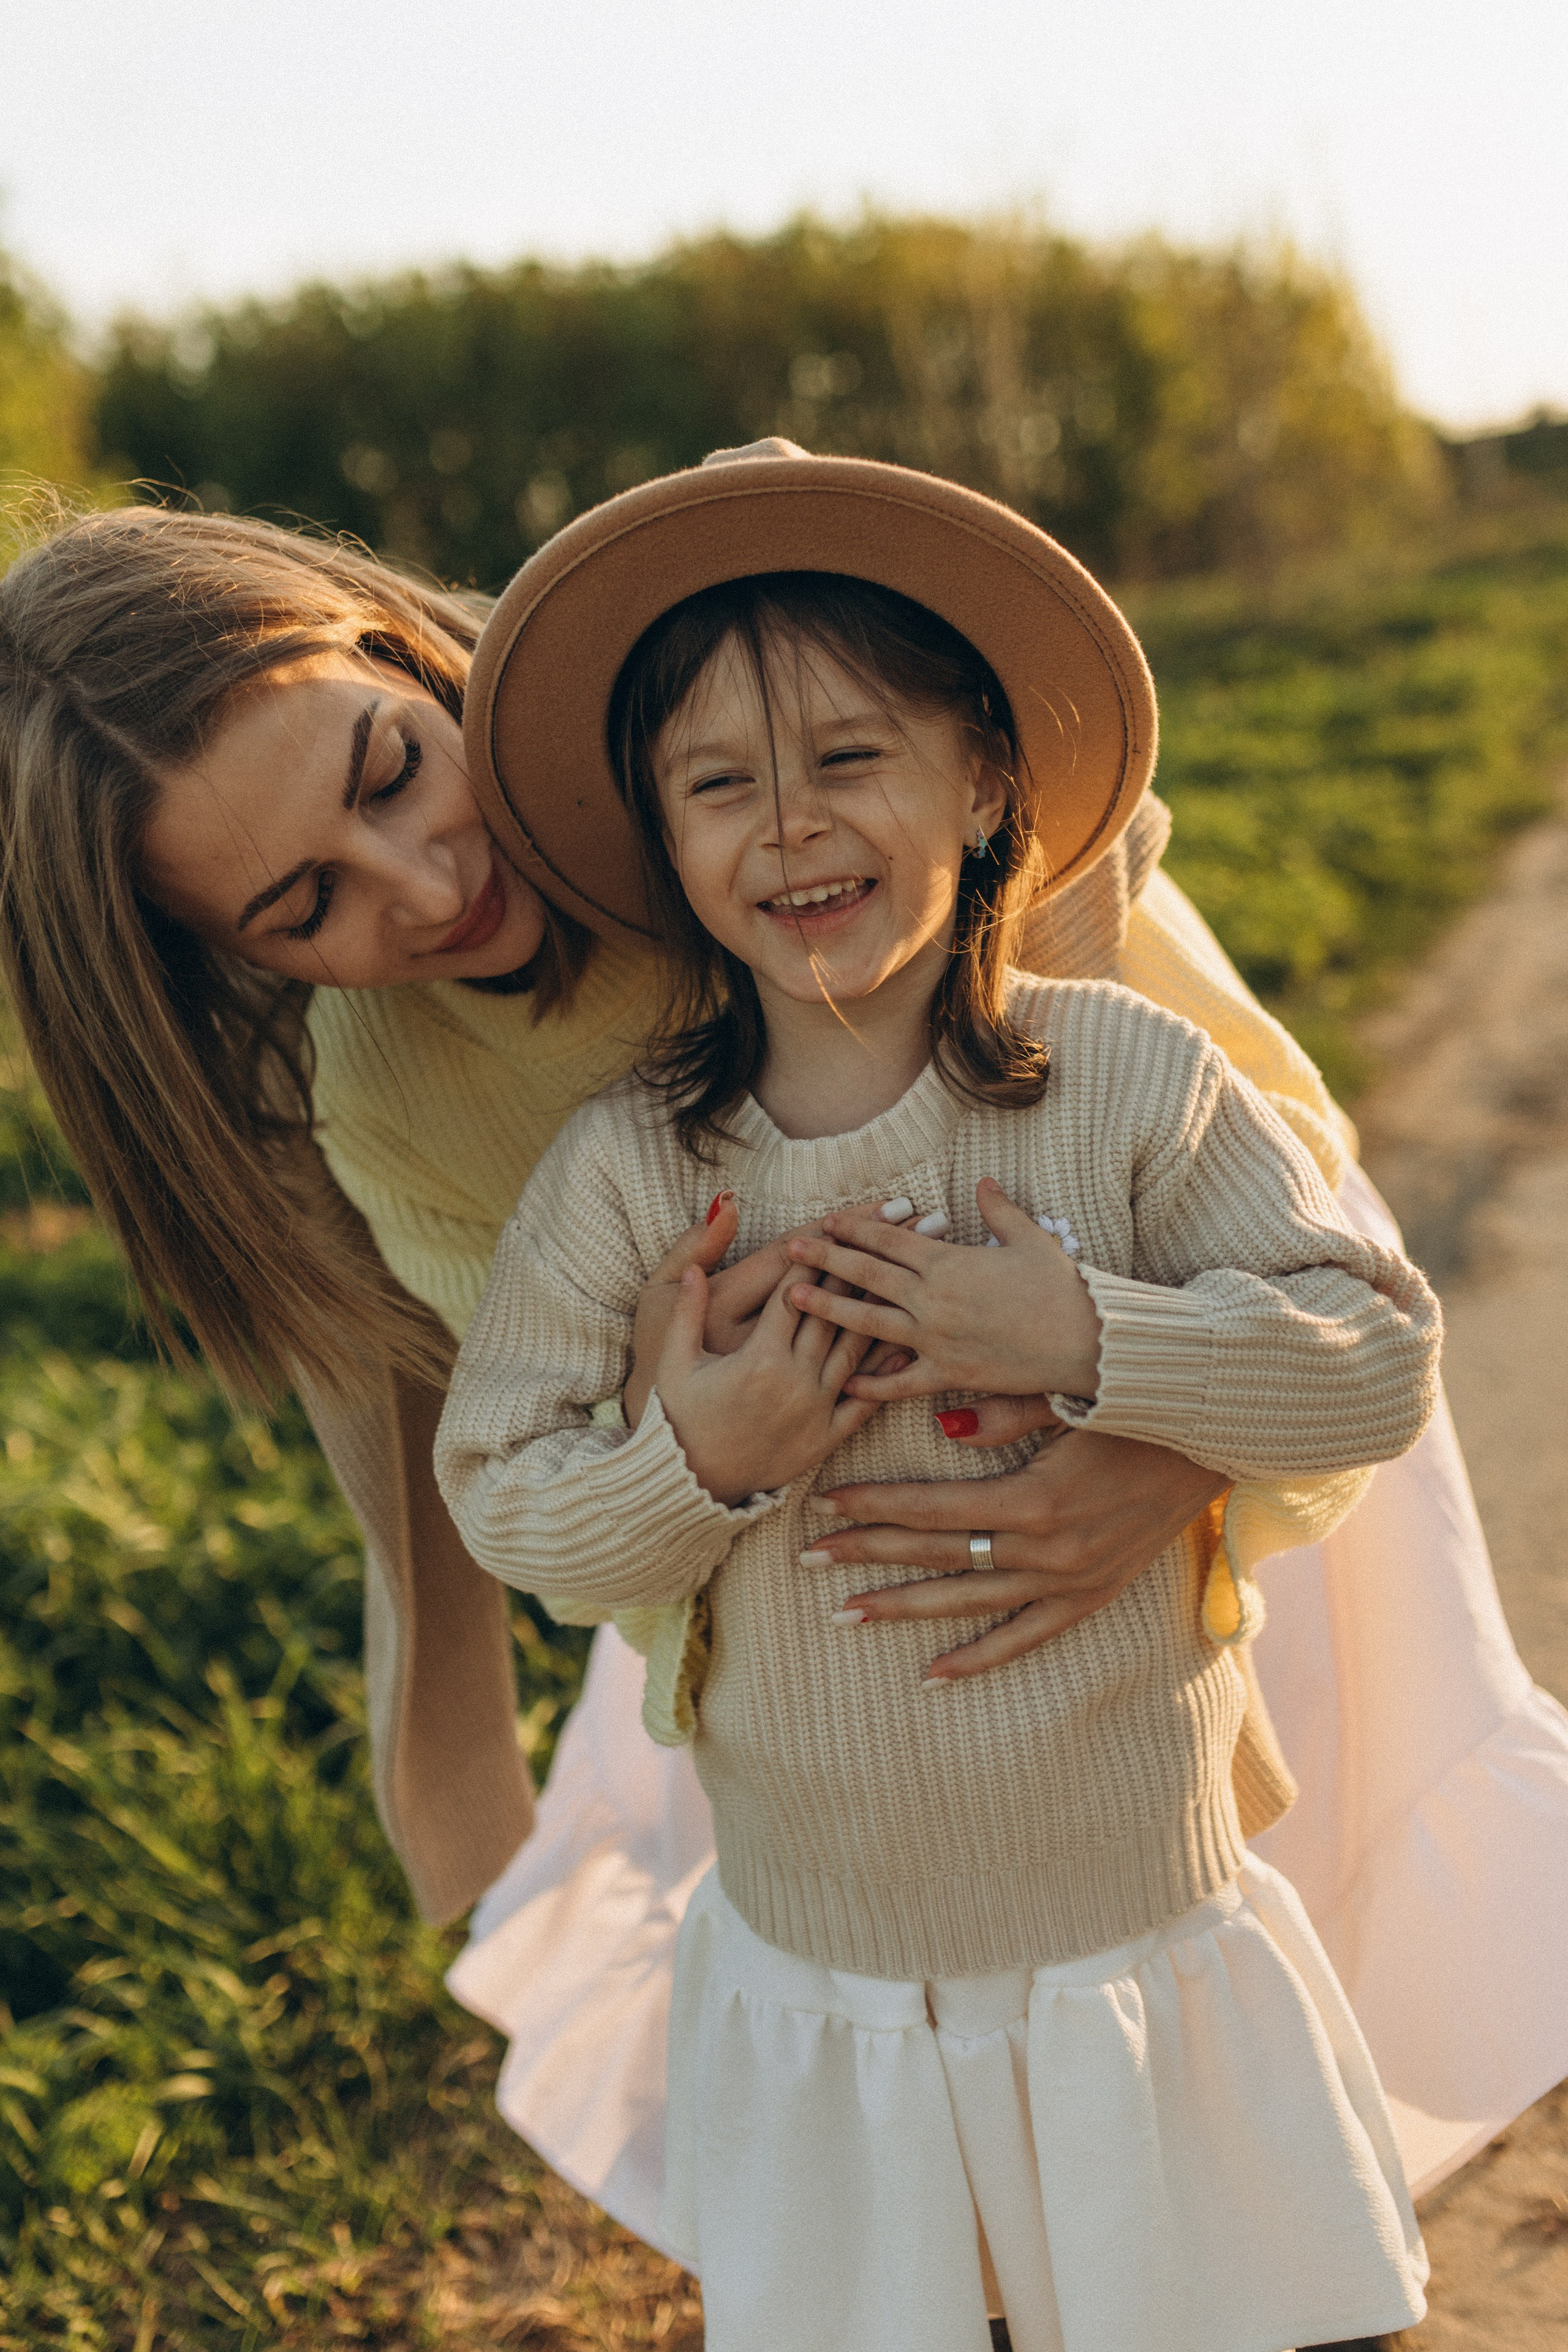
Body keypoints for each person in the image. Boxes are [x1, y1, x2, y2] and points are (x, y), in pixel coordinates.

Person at [0, 465, 1563, 2272]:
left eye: (389, 771)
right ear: (221, 965)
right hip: (823, 1544)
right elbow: (540, 1443)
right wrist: (700, 1470)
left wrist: (1170, 1458)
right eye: (305, 909)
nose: (425, 886)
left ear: (392, 651)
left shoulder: (731, 724)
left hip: (1193, 1386)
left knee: (1229, 1992)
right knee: (941, 2056)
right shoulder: (390, 1096)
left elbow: (1257, 1135)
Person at [432, 477, 1442, 2349]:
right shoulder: (636, 1175)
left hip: (1136, 1934)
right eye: (721, 784)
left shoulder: (1124, 1084)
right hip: (836, 1979)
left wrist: (1085, 1329)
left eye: (848, 754)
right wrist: (698, 1462)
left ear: (983, 782)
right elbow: (505, 1491)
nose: (795, 823)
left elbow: (1373, 1351)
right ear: (665, 841)